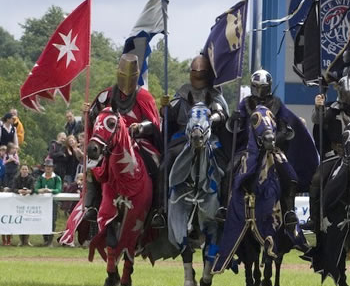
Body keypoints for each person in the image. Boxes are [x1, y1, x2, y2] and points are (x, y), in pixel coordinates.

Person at [81, 54, 163, 227]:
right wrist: (87, 114)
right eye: (123, 75)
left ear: (136, 75)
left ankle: (157, 209)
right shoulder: (106, 96)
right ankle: (92, 205)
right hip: (109, 144)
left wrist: (140, 127)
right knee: (92, 166)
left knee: (158, 165)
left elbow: (154, 123)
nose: (126, 80)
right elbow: (95, 121)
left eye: (130, 76)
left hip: (139, 143)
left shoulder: (144, 97)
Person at [233, 69, 319, 230]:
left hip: (272, 149)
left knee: (291, 176)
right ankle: (226, 209)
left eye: (263, 87)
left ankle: (289, 212)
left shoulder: (276, 103)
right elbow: (236, 129)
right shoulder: (245, 104)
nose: (260, 90)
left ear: (269, 87)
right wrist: (234, 120)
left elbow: (285, 128)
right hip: (248, 150)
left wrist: (274, 139)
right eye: (257, 86)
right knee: (229, 170)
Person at [304, 75, 350, 231]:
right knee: (318, 178)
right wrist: (319, 107)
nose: (347, 97)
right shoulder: (332, 108)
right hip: (335, 154)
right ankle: (315, 217)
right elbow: (319, 120)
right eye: (345, 93)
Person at [162, 54, 229, 217]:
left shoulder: (213, 94)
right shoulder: (183, 92)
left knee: (226, 168)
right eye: (195, 73)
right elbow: (170, 114)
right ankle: (161, 208)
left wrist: (211, 118)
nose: (198, 77)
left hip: (209, 137)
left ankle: (224, 207)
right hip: (183, 137)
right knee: (164, 166)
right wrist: (165, 108)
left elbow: (221, 112)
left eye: (201, 73)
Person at [35, 159, 62, 247]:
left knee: (52, 221)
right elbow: (36, 188)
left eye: (50, 167)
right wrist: (40, 190)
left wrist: (50, 190)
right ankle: (45, 239)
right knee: (43, 219)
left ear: (52, 168)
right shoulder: (40, 178)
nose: (48, 169)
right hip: (43, 203)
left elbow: (58, 189)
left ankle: (50, 240)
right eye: (47, 167)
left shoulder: (56, 178)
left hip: (53, 202)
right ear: (44, 168)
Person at [13, 164, 35, 246]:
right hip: (19, 203)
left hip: (28, 203)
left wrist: (29, 191)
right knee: (20, 220)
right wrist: (19, 191)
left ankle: (27, 240)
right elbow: (13, 188)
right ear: (20, 170)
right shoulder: (16, 178)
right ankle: (21, 240)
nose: (24, 170)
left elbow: (34, 189)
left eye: (26, 169)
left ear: (28, 170)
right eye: (23, 169)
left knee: (28, 220)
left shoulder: (31, 179)